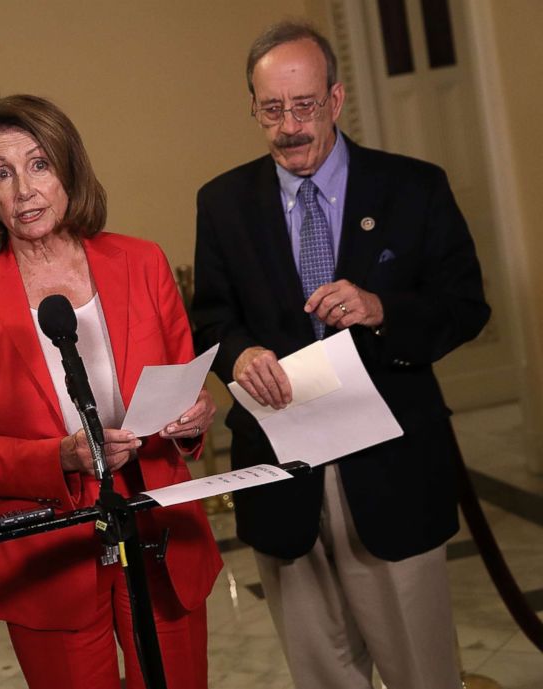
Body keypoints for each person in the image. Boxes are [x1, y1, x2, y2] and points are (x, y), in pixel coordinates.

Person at [192, 22, 490, 689]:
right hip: (279, 465)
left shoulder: (414, 188)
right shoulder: (224, 203)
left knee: (421, 668)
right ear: (253, 107)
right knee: (321, 672)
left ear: (335, 98)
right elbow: (210, 316)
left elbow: (466, 306)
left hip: (391, 463)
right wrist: (239, 356)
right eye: (272, 109)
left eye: (303, 106)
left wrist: (384, 309)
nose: (289, 125)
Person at [0, 94, 223, 689]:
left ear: (68, 170)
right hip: (47, 556)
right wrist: (60, 456)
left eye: (39, 165)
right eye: (1, 174)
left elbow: (184, 389)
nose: (24, 191)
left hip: (158, 537)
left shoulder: (142, 262)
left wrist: (193, 419)